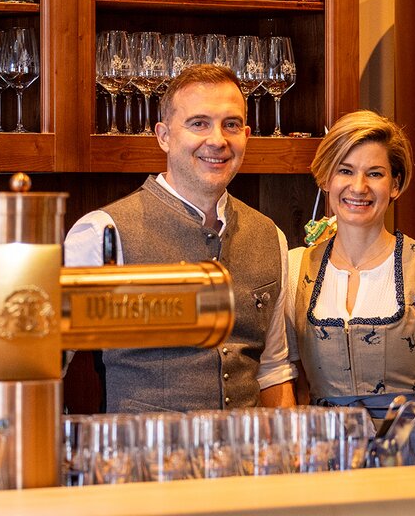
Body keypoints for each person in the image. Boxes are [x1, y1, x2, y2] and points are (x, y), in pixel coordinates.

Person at [64, 64, 295, 413]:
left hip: (248, 461)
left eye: (231, 124)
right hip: (143, 462)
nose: (217, 140)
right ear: (164, 135)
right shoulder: (102, 233)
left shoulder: (270, 236)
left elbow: (273, 370)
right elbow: (44, 363)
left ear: (246, 135)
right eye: (198, 123)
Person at [287, 110, 415, 459]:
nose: (358, 187)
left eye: (374, 173)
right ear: (326, 179)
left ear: (394, 185)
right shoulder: (295, 265)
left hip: (409, 458)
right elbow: (291, 386)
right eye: (345, 170)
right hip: (324, 462)